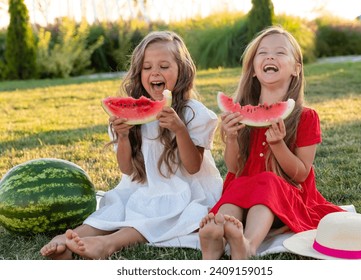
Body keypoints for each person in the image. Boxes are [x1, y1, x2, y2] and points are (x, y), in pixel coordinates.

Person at [40, 30, 223, 260]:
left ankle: (108, 244)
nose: (155, 72)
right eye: (147, 67)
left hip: (185, 189)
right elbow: (127, 170)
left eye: (164, 66)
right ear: (139, 72)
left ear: (182, 71)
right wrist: (124, 137)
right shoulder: (130, 116)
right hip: (143, 187)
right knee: (117, 209)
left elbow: (194, 167)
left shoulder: (194, 113)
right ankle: (70, 239)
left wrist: (179, 130)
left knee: (157, 214)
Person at [198, 26, 344, 260]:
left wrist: (278, 145)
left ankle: (248, 245)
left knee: (266, 180)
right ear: (254, 70)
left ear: (296, 69)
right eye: (262, 52)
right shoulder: (241, 114)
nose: (270, 56)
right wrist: (232, 138)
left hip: (286, 198)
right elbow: (234, 168)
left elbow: (301, 174)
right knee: (237, 184)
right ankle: (216, 237)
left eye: (280, 52)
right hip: (243, 192)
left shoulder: (306, 117)